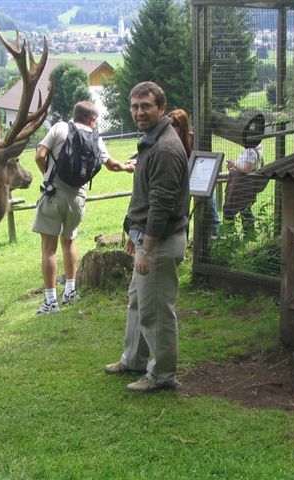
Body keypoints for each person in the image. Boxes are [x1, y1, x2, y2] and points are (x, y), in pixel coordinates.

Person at [105, 82, 189, 393]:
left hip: (160, 242)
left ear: (161, 109)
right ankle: (134, 359)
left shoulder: (165, 148)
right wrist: (134, 234)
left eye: (146, 106)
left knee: (155, 310)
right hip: (146, 238)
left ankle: (162, 374)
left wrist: (147, 248)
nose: (139, 112)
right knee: (139, 303)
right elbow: (144, 197)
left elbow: (162, 205)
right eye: (135, 106)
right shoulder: (150, 141)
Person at [32, 100, 135, 315]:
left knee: (48, 248)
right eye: (95, 120)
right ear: (90, 119)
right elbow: (112, 165)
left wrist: (48, 176)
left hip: (53, 194)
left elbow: (40, 155)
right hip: (78, 197)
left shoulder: (60, 127)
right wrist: (127, 167)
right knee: (69, 242)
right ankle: (70, 291)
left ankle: (51, 302)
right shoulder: (95, 138)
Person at [168, 109, 220, 235]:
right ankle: (182, 240)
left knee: (210, 206)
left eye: (175, 125)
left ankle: (216, 236)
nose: (171, 128)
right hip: (180, 182)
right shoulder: (167, 141)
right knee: (182, 212)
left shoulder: (194, 139)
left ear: (183, 126)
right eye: (169, 124)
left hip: (198, 177)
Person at [222, 144, 264, 235]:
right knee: (245, 209)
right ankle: (249, 235)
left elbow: (248, 168)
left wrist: (234, 164)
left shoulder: (251, 151)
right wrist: (233, 168)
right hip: (244, 184)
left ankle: (230, 237)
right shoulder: (254, 149)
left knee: (229, 210)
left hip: (241, 186)